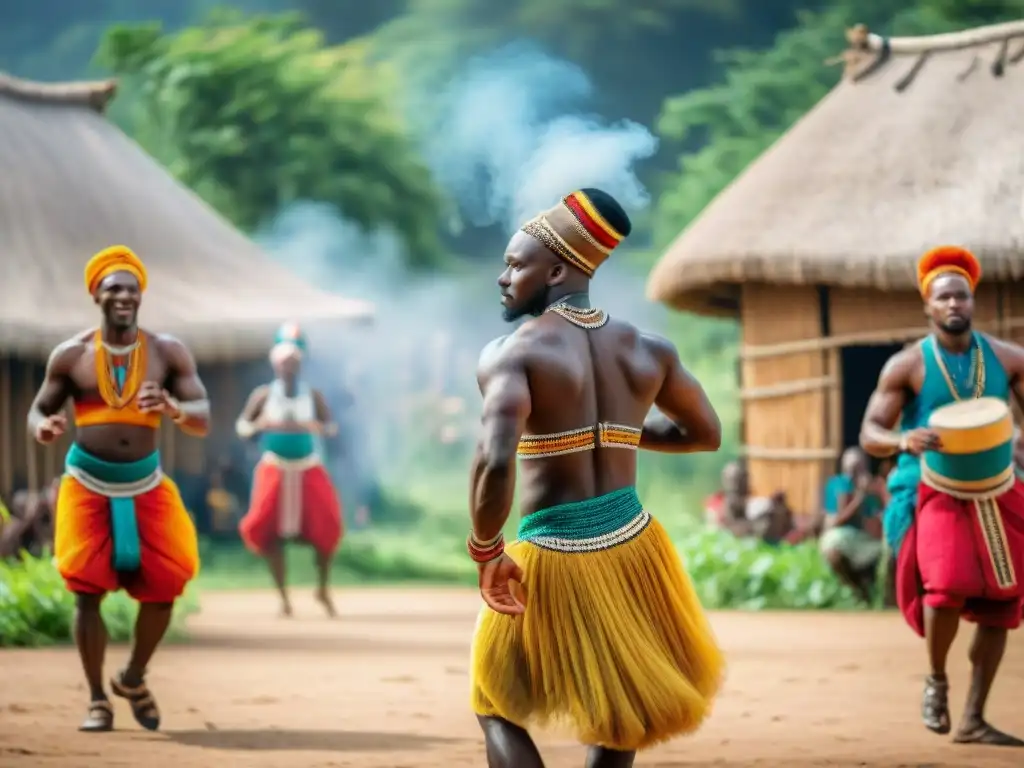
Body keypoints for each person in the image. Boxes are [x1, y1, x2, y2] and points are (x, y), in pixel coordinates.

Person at [468, 188, 725, 767]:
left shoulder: (512, 354)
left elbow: (495, 459)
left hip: (551, 550)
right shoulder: (648, 350)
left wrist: (486, 549)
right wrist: (622, 430)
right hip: (634, 546)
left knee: (493, 702)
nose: (503, 277)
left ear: (557, 269)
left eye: (515, 264)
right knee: (620, 708)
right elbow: (704, 433)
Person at [28, 245, 209, 733]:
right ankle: (96, 701)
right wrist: (42, 426)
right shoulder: (71, 356)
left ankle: (132, 677)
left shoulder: (169, 352)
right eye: (114, 289)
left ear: (141, 295)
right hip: (87, 483)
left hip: (146, 483)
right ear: (97, 296)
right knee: (87, 593)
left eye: (132, 289)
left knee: (167, 584)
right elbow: (38, 409)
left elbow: (202, 418)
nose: (124, 296)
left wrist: (172, 407)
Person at [859, 245, 1024, 747]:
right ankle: (937, 680)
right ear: (928, 307)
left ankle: (973, 718)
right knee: (947, 584)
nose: (955, 304)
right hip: (936, 488)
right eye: (944, 297)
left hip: (998, 488)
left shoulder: (1009, 358)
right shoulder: (906, 366)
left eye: (962, 296)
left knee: (1004, 600)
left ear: (973, 302)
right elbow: (870, 431)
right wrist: (901, 441)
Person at [236, 322, 344, 618]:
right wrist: (260, 425)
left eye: (294, 362)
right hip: (274, 469)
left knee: (328, 525)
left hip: (308, 468)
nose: (289, 367)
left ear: (301, 364)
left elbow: (332, 427)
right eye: (285, 362)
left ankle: (322, 587)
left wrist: (316, 427)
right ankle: (283, 597)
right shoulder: (262, 395)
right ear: (275, 365)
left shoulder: (313, 395)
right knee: (266, 528)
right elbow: (242, 426)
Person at [819, 447, 884, 604]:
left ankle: (881, 595)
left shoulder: (875, 488)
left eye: (857, 468)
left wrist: (879, 492)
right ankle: (857, 593)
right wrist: (858, 499)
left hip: (869, 542)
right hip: (844, 539)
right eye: (850, 468)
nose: (853, 473)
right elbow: (833, 523)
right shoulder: (837, 485)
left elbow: (879, 522)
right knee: (832, 548)